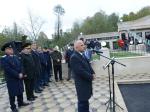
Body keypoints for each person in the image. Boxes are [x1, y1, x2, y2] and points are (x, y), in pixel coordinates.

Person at [1, 42, 29, 112]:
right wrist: (17, 75)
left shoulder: (16, 57)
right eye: (10, 49)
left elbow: (21, 65)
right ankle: (13, 107)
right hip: (12, 79)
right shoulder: (4, 59)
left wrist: (22, 73)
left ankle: (20, 102)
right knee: (12, 93)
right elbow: (8, 69)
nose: (12, 50)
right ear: (6, 50)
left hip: (19, 77)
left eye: (12, 49)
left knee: (20, 91)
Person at [70, 40, 95, 112]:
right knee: (82, 102)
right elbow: (80, 71)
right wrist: (91, 76)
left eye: (83, 45)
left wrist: (92, 72)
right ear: (76, 47)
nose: (84, 46)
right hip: (81, 83)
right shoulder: (74, 57)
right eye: (81, 45)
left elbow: (88, 65)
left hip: (86, 82)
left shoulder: (82, 54)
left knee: (85, 99)